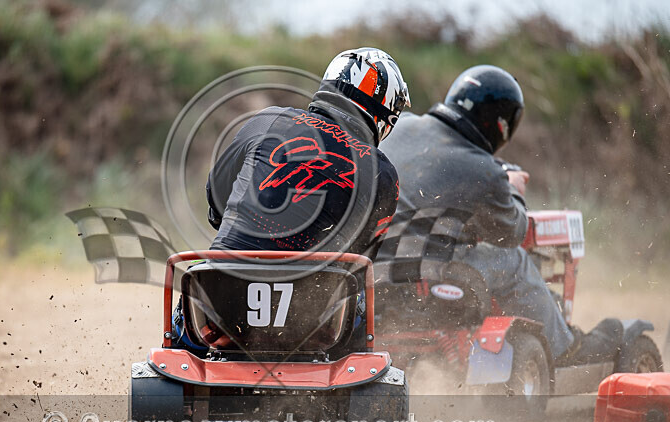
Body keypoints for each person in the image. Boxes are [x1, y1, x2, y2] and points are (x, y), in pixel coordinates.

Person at [377, 64, 621, 363]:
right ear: (501, 125)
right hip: (419, 282)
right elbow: (510, 234)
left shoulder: (399, 126)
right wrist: (513, 188)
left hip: (367, 272)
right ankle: (565, 349)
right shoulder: (483, 169)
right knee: (513, 260)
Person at [173, 47, 413, 350]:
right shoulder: (383, 174)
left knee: (185, 324)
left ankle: (186, 359)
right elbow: (359, 258)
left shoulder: (268, 120)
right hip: (310, 319)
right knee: (358, 297)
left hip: (220, 296)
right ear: (383, 109)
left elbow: (214, 202)